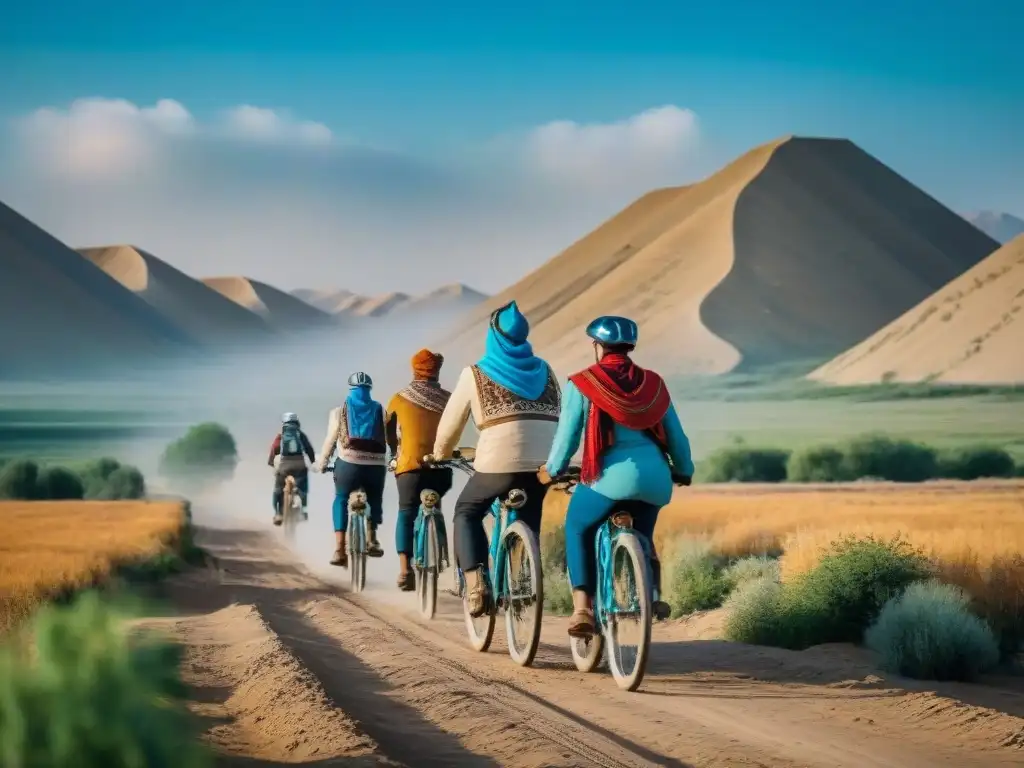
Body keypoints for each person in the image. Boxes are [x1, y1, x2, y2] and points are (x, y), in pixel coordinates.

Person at [542, 315, 694, 638]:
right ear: (629, 347)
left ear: (598, 347)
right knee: (643, 533)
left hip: (606, 479)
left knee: (577, 526)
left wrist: (553, 470)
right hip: (654, 479)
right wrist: (684, 470)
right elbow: (677, 438)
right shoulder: (653, 384)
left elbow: (567, 439)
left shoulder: (583, 384)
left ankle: (582, 608)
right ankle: (651, 594)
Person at [429, 300, 561, 617]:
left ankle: (476, 586)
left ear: (493, 336)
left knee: (466, 511)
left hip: (497, 465)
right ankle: (524, 580)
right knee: (528, 516)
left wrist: (439, 454)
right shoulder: (545, 370)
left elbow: (450, 426)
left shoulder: (475, 373)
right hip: (543, 465)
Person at [385, 349, 454, 591]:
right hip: (441, 468)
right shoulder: (449, 399)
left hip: (409, 469)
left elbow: (388, 430)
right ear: (437, 371)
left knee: (406, 512)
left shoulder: (399, 398)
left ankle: (405, 570)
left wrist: (395, 451)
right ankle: (440, 553)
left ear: (415, 369)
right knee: (436, 503)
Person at [316, 372, 388, 567]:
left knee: (341, 498)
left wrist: (322, 463)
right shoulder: (381, 410)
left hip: (348, 464)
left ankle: (340, 549)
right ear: (369, 389)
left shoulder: (339, 411)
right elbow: (389, 437)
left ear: (351, 389)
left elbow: (331, 440)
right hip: (376, 465)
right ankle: (372, 538)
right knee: (375, 498)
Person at [268, 412, 316, 526]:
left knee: (277, 489)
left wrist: (271, 462)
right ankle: (303, 510)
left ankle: (278, 513)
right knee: (303, 487)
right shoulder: (300, 434)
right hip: (299, 466)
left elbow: (274, 449)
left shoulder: (280, 435)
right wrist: (313, 461)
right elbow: (309, 449)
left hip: (284, 467)